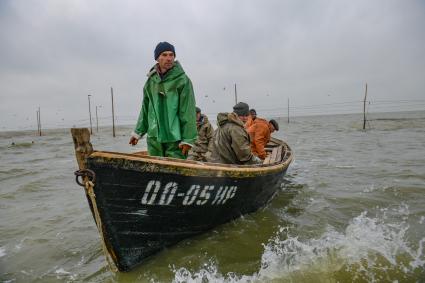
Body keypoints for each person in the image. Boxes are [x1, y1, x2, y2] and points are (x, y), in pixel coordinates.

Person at [129, 42, 197, 159]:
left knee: (175, 172)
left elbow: (188, 111)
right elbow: (146, 109)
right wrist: (138, 132)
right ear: (157, 58)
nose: (169, 58)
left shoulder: (182, 81)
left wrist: (187, 139)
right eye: (164, 55)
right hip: (154, 137)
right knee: (154, 172)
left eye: (171, 55)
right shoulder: (150, 82)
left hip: (175, 138)